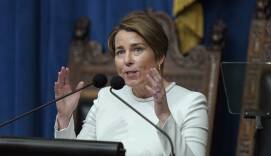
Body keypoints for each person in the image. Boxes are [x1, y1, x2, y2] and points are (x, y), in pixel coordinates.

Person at [54, 11, 208, 156]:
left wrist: (164, 116)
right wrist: (65, 118)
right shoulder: (107, 96)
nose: (127, 60)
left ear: (160, 56)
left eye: (137, 50)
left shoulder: (191, 103)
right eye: (120, 52)